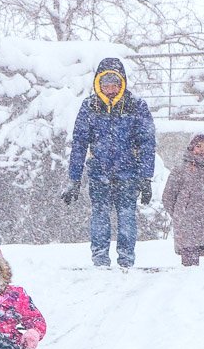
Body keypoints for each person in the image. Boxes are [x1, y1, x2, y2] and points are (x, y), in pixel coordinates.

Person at [61, 57, 156, 269]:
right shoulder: (90, 106)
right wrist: (74, 179)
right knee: (100, 216)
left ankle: (126, 260)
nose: (111, 89)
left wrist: (145, 177)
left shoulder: (136, 106)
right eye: (106, 84)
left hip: (128, 173)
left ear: (122, 83)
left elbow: (147, 143)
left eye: (115, 84)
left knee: (127, 216)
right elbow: (79, 144)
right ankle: (100, 260)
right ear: (99, 84)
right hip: (99, 173)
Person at [161, 134, 204, 267]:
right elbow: (168, 197)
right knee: (189, 271)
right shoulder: (180, 171)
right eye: (198, 146)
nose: (202, 149)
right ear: (191, 148)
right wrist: (180, 213)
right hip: (188, 228)